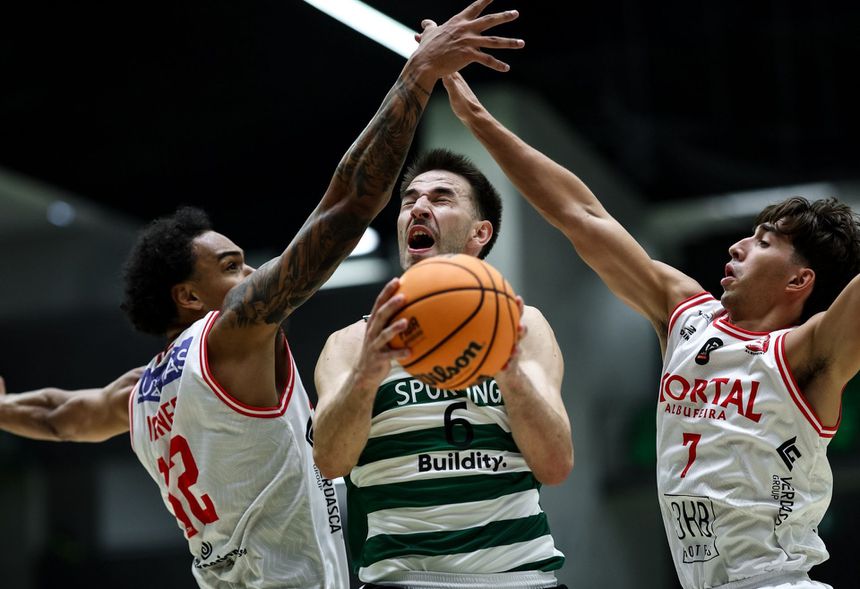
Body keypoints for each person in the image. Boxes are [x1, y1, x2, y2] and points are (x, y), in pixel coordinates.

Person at [0, 4, 525, 586]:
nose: (251, 272)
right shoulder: (232, 329)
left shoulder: (141, 392)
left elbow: (59, 416)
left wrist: (2, 409)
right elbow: (347, 203)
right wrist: (417, 75)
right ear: (190, 296)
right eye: (231, 267)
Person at [441, 71, 860, 589]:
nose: (738, 246)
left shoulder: (808, 352)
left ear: (799, 280)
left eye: (764, 243)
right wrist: (475, 116)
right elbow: (580, 214)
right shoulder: (685, 315)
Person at [313, 147, 573, 589]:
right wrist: (367, 374)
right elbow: (331, 462)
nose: (419, 207)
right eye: (409, 200)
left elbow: (555, 465)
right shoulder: (351, 342)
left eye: (441, 198)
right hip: (402, 578)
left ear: (479, 233)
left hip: (519, 577)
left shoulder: (525, 324)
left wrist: (508, 370)